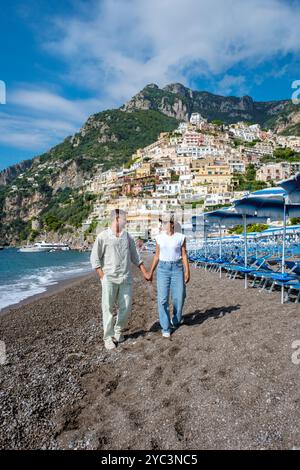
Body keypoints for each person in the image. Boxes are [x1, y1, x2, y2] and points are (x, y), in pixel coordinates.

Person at [90, 209, 149, 350]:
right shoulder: (103, 236)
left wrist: (145, 273)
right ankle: (108, 337)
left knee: (126, 306)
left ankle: (118, 332)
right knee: (108, 308)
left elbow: (136, 257)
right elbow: (94, 258)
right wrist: (102, 277)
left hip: (126, 277)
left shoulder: (128, 237)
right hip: (109, 278)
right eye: (124, 218)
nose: (126, 221)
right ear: (116, 218)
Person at [147, 214, 190, 338]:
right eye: (162, 222)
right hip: (163, 269)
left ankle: (176, 320)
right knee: (162, 299)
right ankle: (165, 327)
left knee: (179, 298)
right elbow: (156, 256)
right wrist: (151, 272)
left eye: (166, 222)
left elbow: (184, 255)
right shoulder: (159, 238)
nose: (164, 224)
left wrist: (187, 271)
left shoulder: (181, 237)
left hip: (177, 268)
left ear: (172, 223)